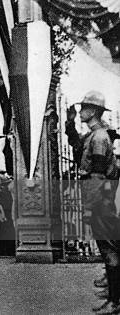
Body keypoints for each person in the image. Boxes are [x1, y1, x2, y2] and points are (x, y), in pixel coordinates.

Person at [65, 91, 120, 314]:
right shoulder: (94, 135)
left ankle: (116, 302)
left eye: (84, 107)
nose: (80, 112)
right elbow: (78, 149)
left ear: (94, 111)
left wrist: (90, 208)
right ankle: (114, 297)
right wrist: (69, 124)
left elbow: (97, 174)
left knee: (110, 251)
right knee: (109, 249)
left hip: (100, 200)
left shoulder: (98, 138)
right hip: (101, 199)